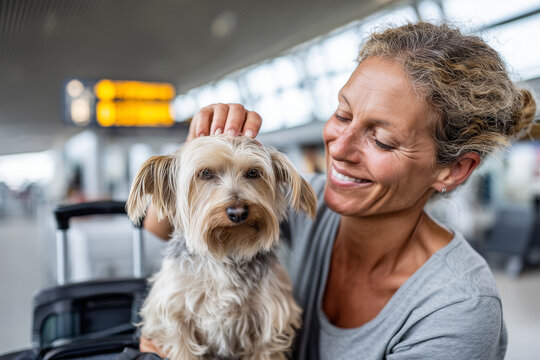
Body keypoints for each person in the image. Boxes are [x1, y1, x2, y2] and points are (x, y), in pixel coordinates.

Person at [140, 22, 537, 359]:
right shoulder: (307, 201)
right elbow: (158, 230)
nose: (339, 149)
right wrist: (187, 170)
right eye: (342, 114)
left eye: (381, 140)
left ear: (454, 170)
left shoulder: (456, 310)